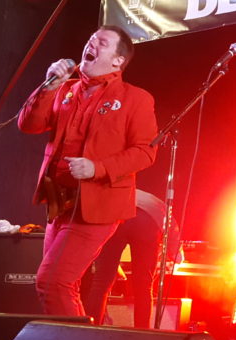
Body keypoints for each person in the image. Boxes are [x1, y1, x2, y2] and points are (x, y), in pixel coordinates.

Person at [19, 25, 158, 317]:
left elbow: (146, 151)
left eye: (102, 42)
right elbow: (28, 125)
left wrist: (98, 168)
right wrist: (48, 86)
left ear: (119, 60)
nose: (91, 43)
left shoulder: (135, 98)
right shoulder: (65, 91)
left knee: (52, 281)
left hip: (97, 207)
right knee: (60, 286)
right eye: (91, 38)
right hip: (59, 204)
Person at [83, 190, 166, 329]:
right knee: (144, 286)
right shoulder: (156, 203)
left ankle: (91, 330)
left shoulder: (113, 194)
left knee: (101, 283)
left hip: (115, 216)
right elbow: (172, 229)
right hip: (147, 222)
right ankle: (142, 333)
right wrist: (176, 252)